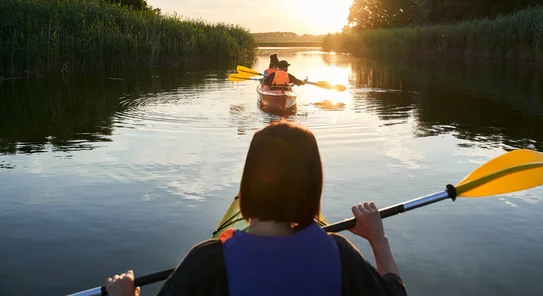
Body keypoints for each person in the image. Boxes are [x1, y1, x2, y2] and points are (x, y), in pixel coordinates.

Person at [105, 121, 407, 296]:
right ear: (313, 185)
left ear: (248, 181)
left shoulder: (207, 261)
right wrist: (378, 240)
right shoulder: (340, 255)